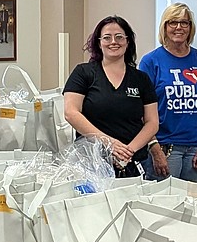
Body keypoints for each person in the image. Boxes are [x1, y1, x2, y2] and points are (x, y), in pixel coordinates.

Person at [139, 3, 197, 183]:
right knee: (162, 207)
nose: (178, 27)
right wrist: (154, 148)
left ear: (190, 28)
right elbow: (141, 110)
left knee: (195, 206)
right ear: (164, 27)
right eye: (173, 22)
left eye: (184, 23)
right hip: (165, 148)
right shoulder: (151, 62)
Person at [62, 16, 159, 178]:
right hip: (93, 163)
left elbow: (152, 122)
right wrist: (109, 144)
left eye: (119, 37)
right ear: (99, 43)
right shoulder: (83, 72)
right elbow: (71, 113)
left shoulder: (141, 79)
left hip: (133, 162)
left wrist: (127, 152)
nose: (113, 41)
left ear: (128, 42)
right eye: (107, 37)